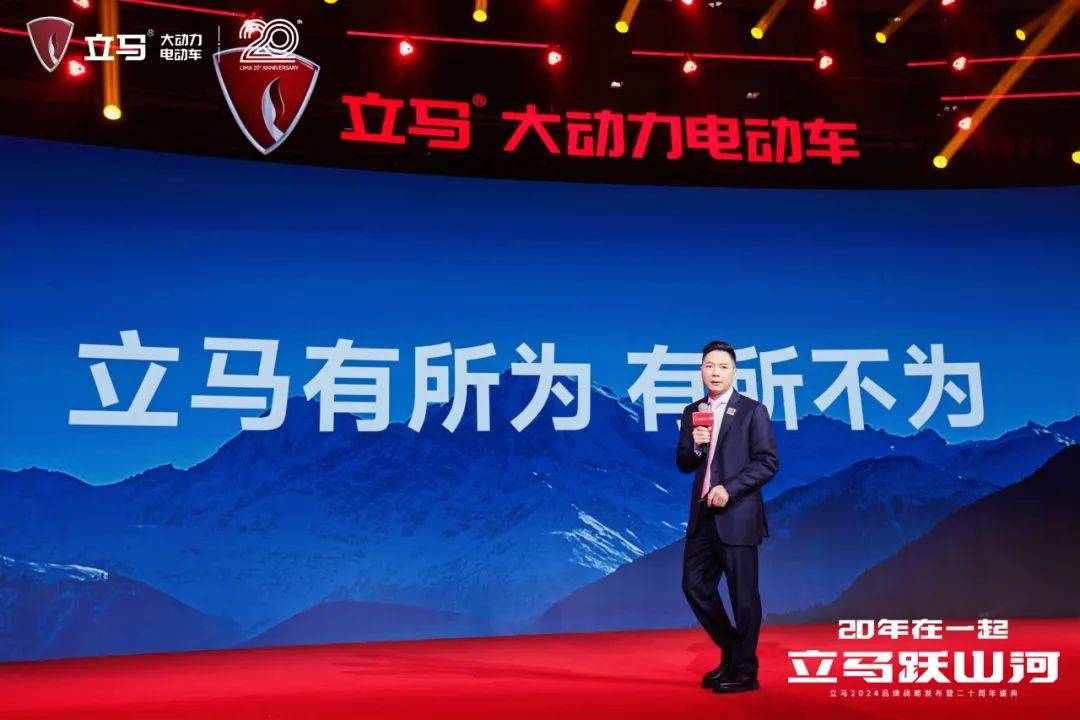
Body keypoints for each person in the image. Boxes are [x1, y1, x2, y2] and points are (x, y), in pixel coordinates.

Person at [675, 340, 779, 693]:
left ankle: (745, 670)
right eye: (709, 366)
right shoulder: (693, 412)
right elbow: (683, 462)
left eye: (722, 367)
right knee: (694, 586)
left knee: (742, 595)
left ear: (734, 372)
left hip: (737, 515)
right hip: (703, 515)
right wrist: (696, 444)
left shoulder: (752, 411)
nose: (715, 372)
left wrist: (730, 489)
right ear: (700, 371)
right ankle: (736, 653)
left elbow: (767, 463)